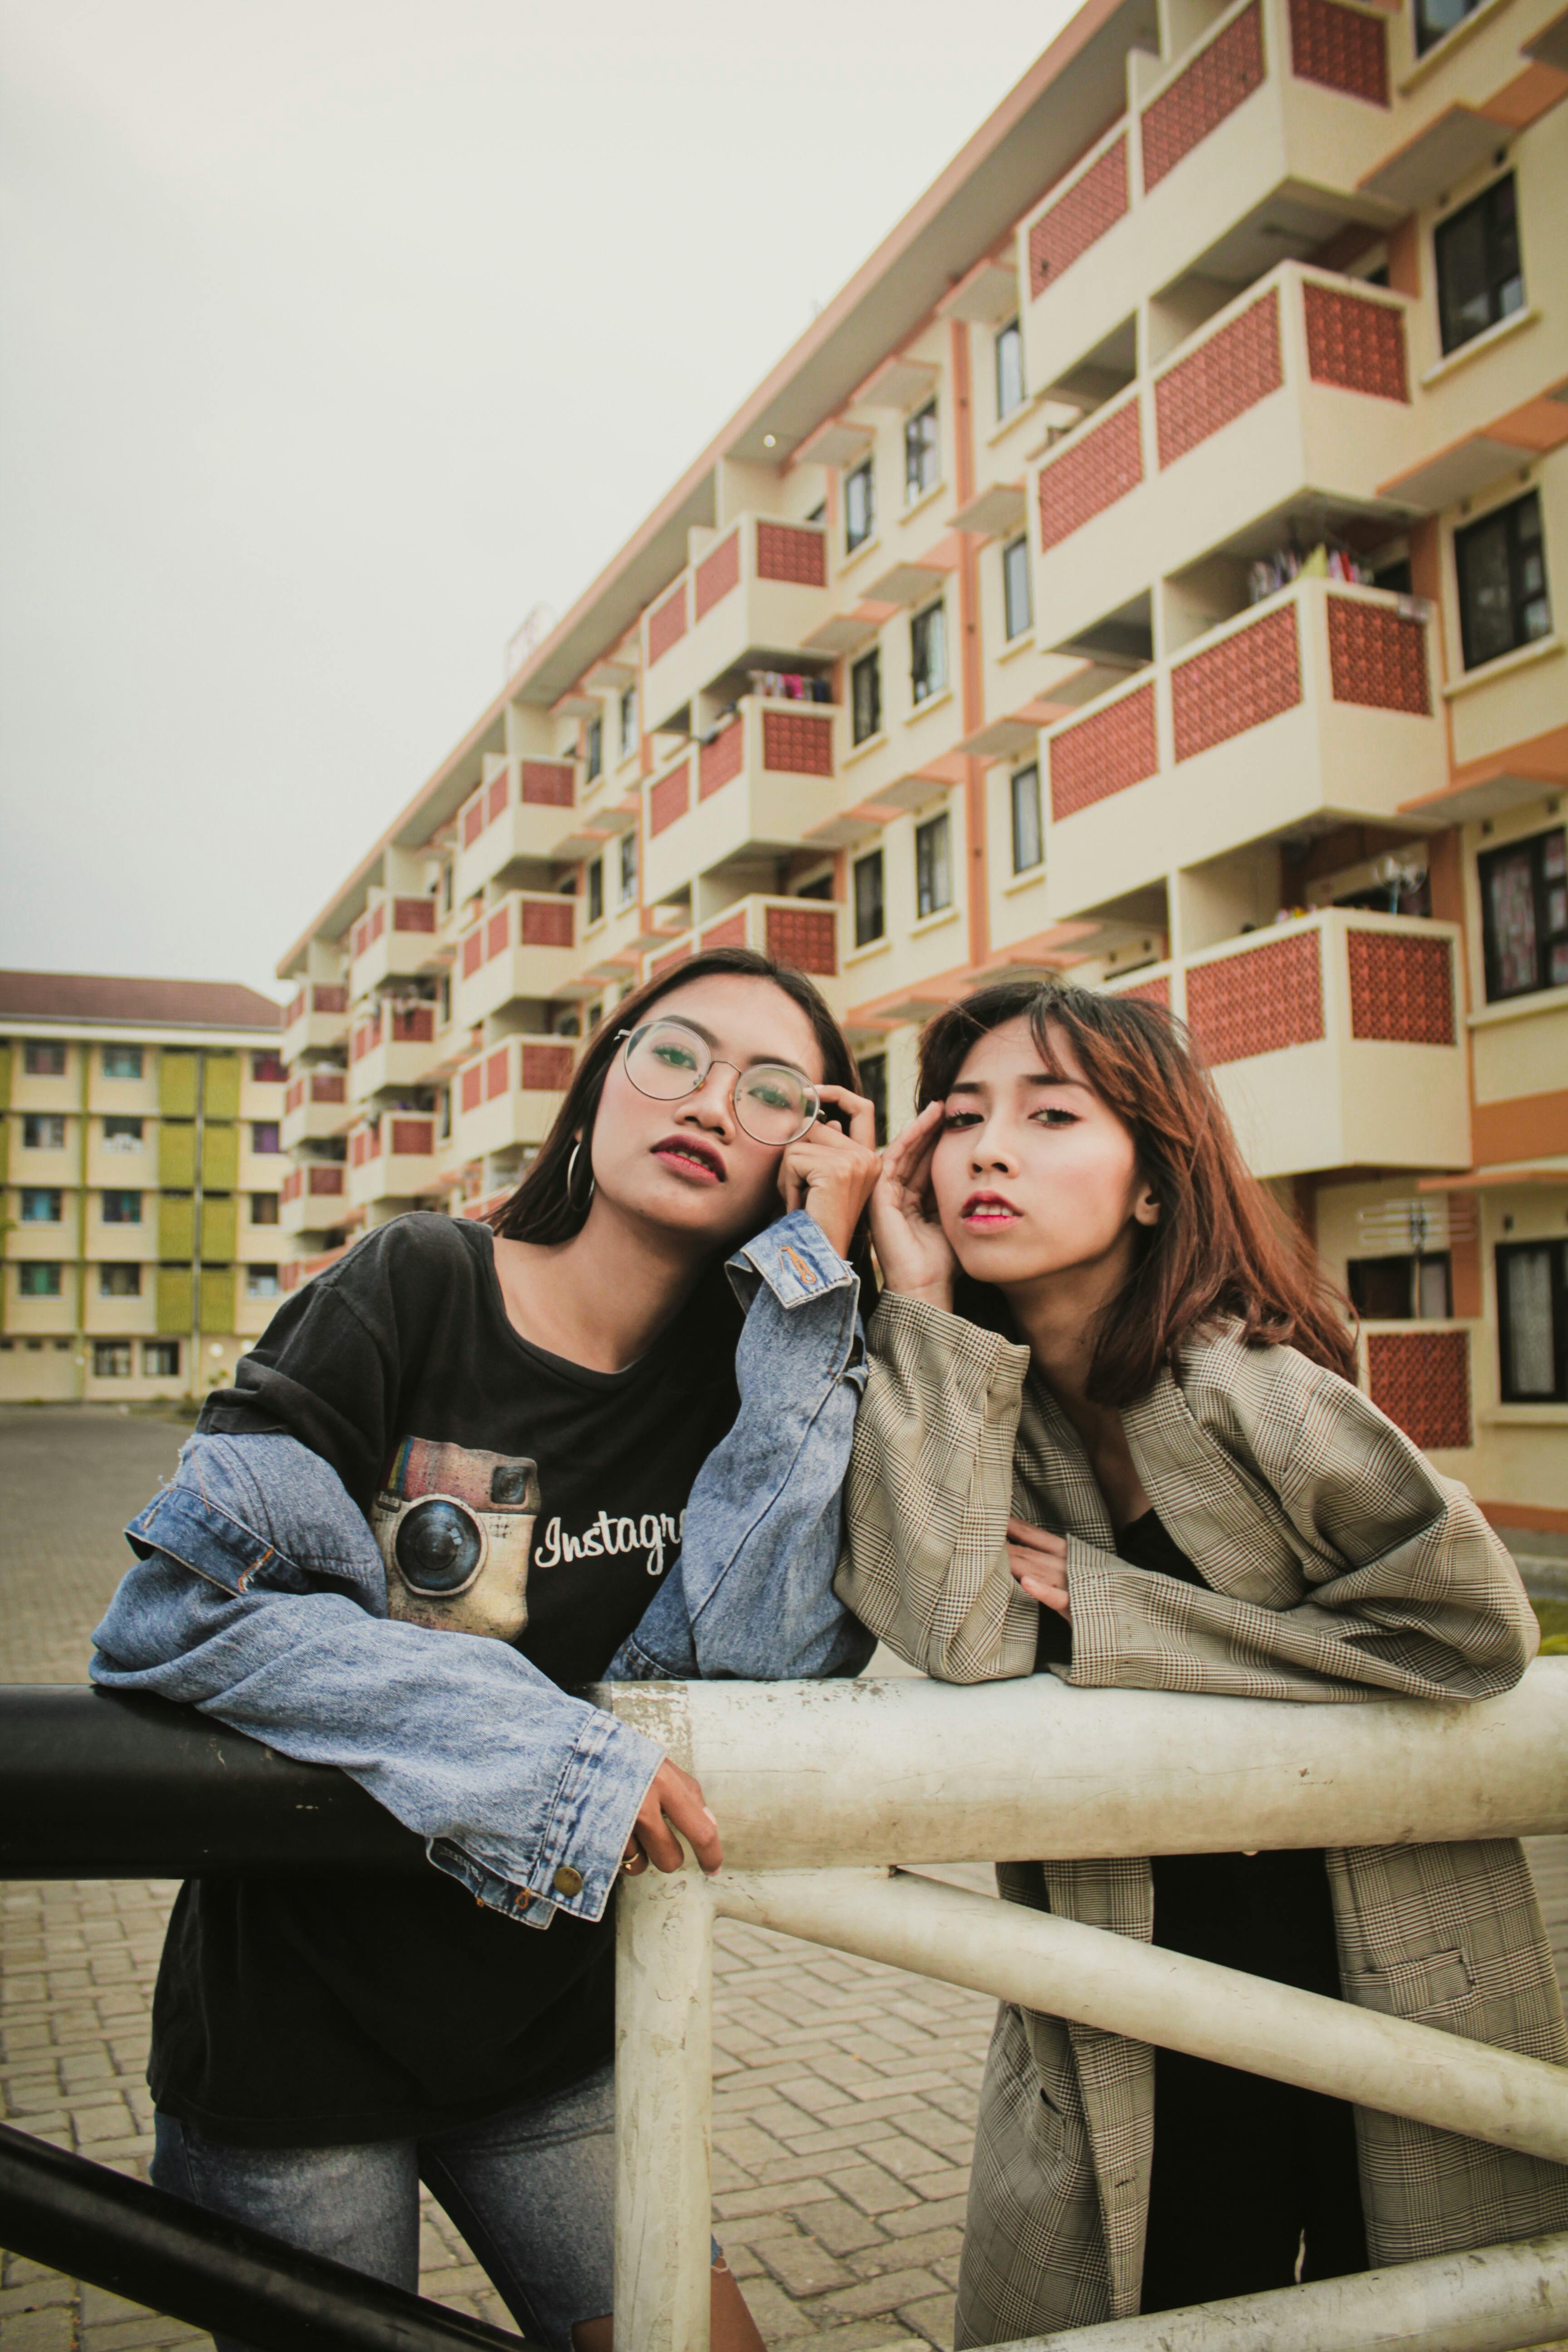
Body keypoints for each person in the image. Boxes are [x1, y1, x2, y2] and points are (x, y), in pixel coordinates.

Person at [92, 947, 882, 2352]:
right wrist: (553, 1753)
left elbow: (766, 1659)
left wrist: (817, 1281)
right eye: (674, 1056)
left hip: (550, 2033)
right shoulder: (416, 1282)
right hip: (295, 2034)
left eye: (777, 1095)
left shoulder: (744, 1386)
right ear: (599, 1086)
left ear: (806, 1158)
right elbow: (187, 1613)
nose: (710, 1103)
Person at [835, 977, 1568, 2344]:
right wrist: (919, 1301)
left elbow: (1474, 1629)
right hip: (1137, 1971)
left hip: (1374, 1959)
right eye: (964, 1115)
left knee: (1425, 2307)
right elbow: (953, 1630)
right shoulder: (999, 1400)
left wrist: (1130, 1619)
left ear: (1155, 1186)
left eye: (1052, 1116)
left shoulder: (1245, 1382)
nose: (989, 1150)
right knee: (1150, 2308)